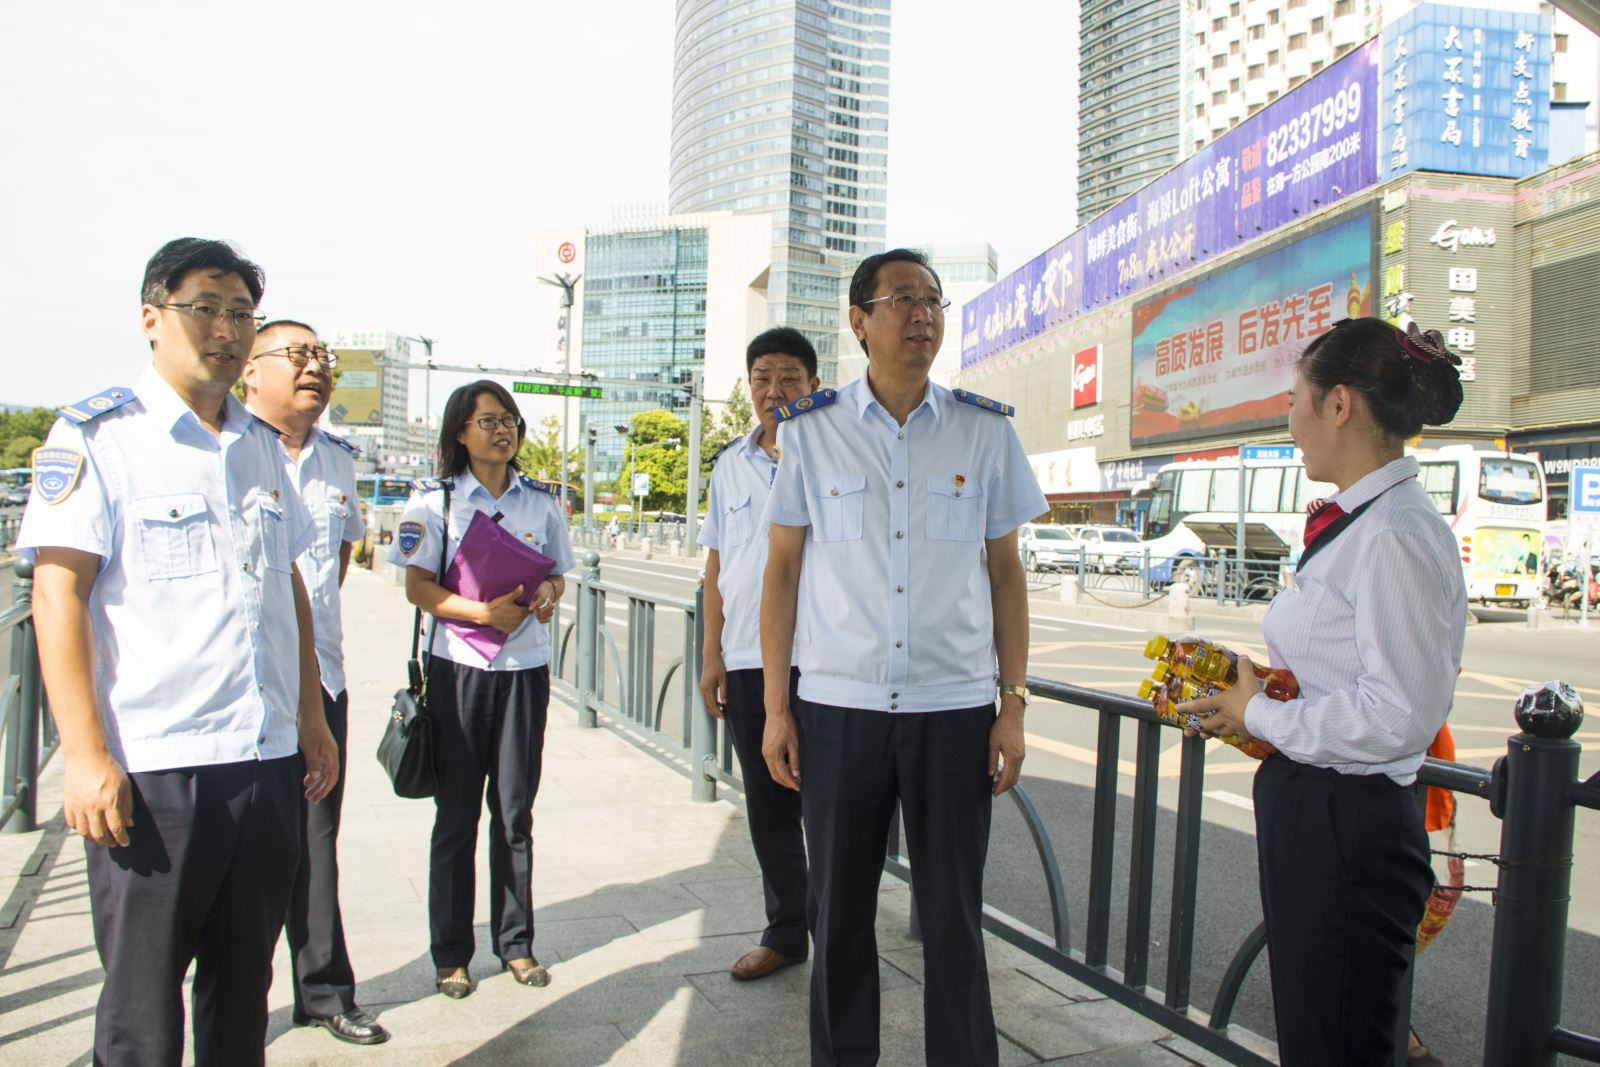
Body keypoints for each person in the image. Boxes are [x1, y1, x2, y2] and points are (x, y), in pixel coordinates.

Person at [19, 238, 339, 1065]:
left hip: (263, 761)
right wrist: (84, 754)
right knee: (142, 1010)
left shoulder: (259, 443)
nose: (226, 329)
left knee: (242, 999)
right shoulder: (99, 436)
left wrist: (311, 718)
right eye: (206, 309)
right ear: (152, 318)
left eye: (241, 314)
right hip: (155, 770)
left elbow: (290, 588)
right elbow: (57, 593)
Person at [759, 248, 1046, 1066]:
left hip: (952, 711)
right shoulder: (810, 431)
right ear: (859, 321)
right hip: (839, 709)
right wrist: (777, 708)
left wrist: (1013, 705)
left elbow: (1006, 574)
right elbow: (782, 573)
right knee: (839, 913)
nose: (923, 314)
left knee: (954, 916)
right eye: (902, 299)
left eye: (933, 300)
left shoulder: (984, 430)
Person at [1177, 317, 1468, 1066]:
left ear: (1339, 405)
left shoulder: (1394, 532)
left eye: (1294, 400)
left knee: (1337, 1042)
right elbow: (1347, 670)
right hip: (1321, 808)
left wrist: (1260, 712)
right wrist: (1258, 689)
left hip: (1350, 822)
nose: (1290, 423)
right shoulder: (1364, 520)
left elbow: (1398, 714)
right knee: (1319, 1035)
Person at [387, 380, 575, 999]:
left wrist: (546, 593)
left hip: (524, 671)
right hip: (459, 670)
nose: (503, 431)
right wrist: (480, 613)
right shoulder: (433, 502)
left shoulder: (541, 503)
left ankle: (516, 944)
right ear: (460, 432)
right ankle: (451, 953)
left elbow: (558, 576)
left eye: (510, 420)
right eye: (489, 421)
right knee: (457, 816)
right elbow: (418, 589)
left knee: (515, 813)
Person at [241, 320, 389, 1045]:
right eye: (297, 354)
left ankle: (324, 992)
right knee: (238, 850)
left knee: (316, 840)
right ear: (249, 369)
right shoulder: (231, 448)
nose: (316, 367)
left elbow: (332, 566)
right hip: (242, 687)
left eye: (322, 356)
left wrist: (311, 653)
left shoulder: (337, 460)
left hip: (320, 680)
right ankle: (232, 1003)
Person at [698, 327, 821, 981]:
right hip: (747, 656)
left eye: (789, 378)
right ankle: (786, 930)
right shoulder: (729, 464)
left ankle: (838, 935)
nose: (774, 391)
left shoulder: (833, 450)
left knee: (828, 805)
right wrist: (710, 653)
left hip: (822, 658)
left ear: (814, 385)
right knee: (769, 803)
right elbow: (715, 565)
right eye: (762, 378)